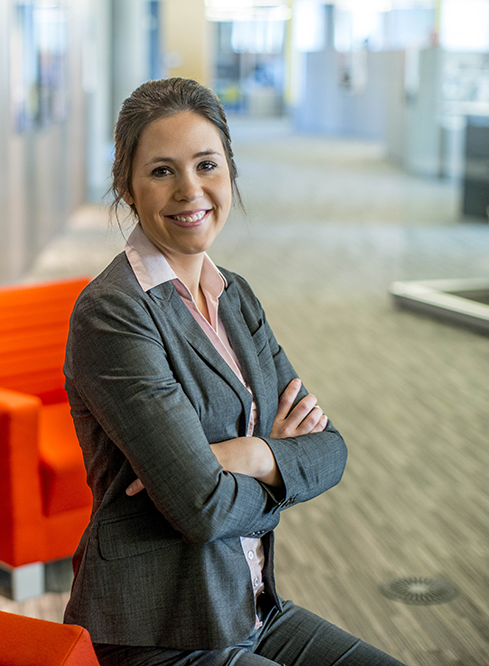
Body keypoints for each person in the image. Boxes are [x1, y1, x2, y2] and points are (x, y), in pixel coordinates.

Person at [62, 78, 405, 666]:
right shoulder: (113, 313)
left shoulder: (234, 297)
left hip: (254, 608)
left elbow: (330, 448)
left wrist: (243, 456)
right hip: (162, 630)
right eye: (162, 171)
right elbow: (201, 508)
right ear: (127, 185)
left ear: (229, 172)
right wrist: (276, 461)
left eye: (206, 164)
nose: (190, 190)